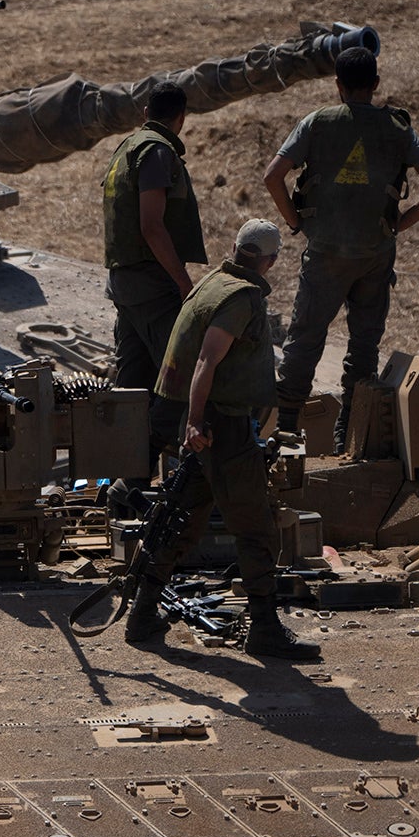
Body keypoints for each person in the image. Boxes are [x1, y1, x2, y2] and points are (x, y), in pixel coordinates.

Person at [131, 219, 318, 661]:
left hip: (198, 423)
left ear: (235, 247)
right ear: (270, 261)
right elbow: (206, 360)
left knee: (182, 517)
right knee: (255, 527)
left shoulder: (213, 282)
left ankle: (142, 613)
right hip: (222, 426)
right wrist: (196, 422)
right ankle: (265, 629)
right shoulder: (241, 297)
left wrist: (190, 423)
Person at [263, 46, 419, 446]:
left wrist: (295, 221)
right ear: (376, 84)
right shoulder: (397, 128)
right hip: (375, 254)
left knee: (306, 337)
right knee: (364, 344)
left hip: (326, 251)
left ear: (338, 86)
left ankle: (285, 429)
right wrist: (401, 223)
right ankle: (347, 433)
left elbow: (272, 176)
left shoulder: (317, 123)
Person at [101, 83, 205, 498]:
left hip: (125, 284)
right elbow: (151, 225)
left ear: (146, 110)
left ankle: (129, 483)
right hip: (152, 285)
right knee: (179, 380)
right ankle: (150, 469)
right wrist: (183, 281)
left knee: (133, 387)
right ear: (180, 118)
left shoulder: (126, 148)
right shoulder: (158, 152)